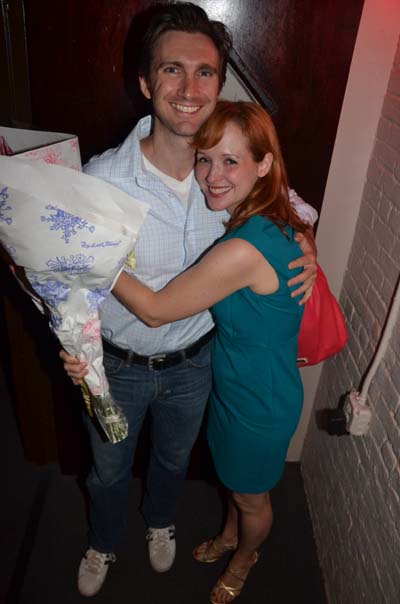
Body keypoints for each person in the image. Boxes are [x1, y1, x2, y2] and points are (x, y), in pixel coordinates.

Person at [61, 2, 317, 597]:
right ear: (147, 83)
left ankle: (159, 523)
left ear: (219, 82)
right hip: (117, 365)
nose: (188, 87)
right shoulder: (100, 180)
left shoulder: (230, 169)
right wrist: (75, 343)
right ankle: (102, 540)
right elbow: (68, 277)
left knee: (174, 464)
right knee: (107, 470)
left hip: (197, 365)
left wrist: (307, 245)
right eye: (171, 70)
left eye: (204, 72)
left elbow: (295, 209)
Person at [111, 99, 308, 604]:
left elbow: (155, 310)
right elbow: (299, 222)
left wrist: (92, 258)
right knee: (235, 484)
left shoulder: (244, 247)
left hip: (258, 403)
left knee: (252, 496)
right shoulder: (259, 218)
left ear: (264, 165)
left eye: (231, 161)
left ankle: (244, 559)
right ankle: (228, 536)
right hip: (235, 387)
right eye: (205, 159)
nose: (211, 176)